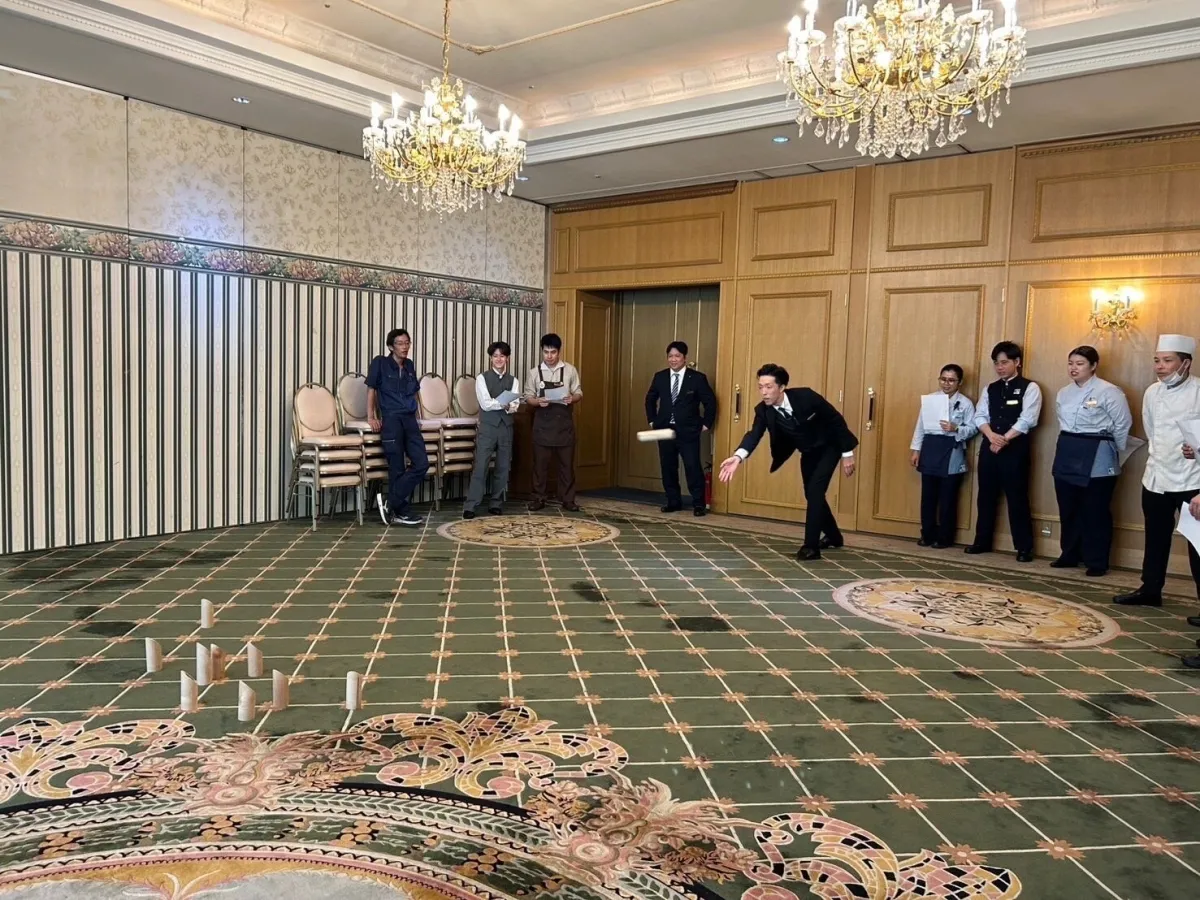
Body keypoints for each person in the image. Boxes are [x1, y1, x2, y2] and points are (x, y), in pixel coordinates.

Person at [718, 363, 857, 560]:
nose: (764, 392)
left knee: (815, 491)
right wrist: (738, 457)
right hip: (807, 451)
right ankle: (834, 536)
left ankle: (810, 547)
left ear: (782, 387)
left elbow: (835, 420)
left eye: (769, 387)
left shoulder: (806, 397)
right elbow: (754, 434)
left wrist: (847, 453)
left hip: (830, 446)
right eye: (760, 387)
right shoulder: (763, 411)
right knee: (811, 493)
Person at [1114, 335, 1200, 620]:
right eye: (1157, 361)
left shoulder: (1199, 391)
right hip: (1156, 476)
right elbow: (1151, 430)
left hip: (1192, 480)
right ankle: (1150, 589)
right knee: (1155, 537)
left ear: (1185, 363)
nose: (1160, 367)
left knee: (1197, 546)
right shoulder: (1152, 392)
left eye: (1167, 361)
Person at [1050, 345, 1133, 577]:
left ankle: (1096, 560)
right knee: (1068, 507)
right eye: (1070, 363)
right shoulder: (1064, 392)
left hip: (1097, 450)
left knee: (1095, 510)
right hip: (1068, 448)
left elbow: (1123, 424)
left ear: (1093, 366)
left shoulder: (1109, 391)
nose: (1073, 368)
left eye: (1080, 364)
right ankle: (1069, 554)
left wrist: (1113, 451)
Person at [966, 341, 1042, 562]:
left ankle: (1024, 547)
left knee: (1017, 497)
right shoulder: (990, 388)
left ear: (1017, 362)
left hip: (1015, 450)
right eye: (996, 363)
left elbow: (1028, 419)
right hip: (989, 447)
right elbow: (980, 415)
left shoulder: (1030, 387)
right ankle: (982, 541)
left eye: (1004, 362)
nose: (999, 367)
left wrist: (1004, 439)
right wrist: (991, 436)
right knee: (985, 496)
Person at [645, 341, 717, 516]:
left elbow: (710, 402)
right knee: (668, 466)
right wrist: (652, 421)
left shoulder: (697, 378)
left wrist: (706, 423)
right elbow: (650, 399)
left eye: (677, 356)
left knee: (692, 466)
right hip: (664, 429)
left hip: (688, 430)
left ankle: (698, 504)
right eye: (670, 356)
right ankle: (673, 501)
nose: (673, 359)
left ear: (685, 358)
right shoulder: (660, 377)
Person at [909, 364, 977, 549]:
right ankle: (927, 534)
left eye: (951, 380)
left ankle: (945, 537)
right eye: (943, 379)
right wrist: (916, 450)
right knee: (928, 497)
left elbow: (973, 428)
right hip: (930, 447)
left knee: (948, 498)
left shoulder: (965, 403)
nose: (947, 384)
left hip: (951, 449)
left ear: (959, 382)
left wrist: (957, 428)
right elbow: (920, 426)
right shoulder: (931, 400)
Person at [366, 328, 428, 526]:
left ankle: (390, 502)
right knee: (397, 467)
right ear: (391, 346)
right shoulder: (380, 363)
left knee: (422, 463)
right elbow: (371, 389)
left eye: (407, 343)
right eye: (400, 343)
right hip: (391, 419)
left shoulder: (409, 365)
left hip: (410, 419)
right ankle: (401, 511)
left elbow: (415, 392)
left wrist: (419, 416)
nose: (405, 347)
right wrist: (371, 416)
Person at [462, 341, 521, 519]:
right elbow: (485, 404)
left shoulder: (514, 380)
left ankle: (496, 503)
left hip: (506, 427)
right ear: (490, 359)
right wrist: (503, 404)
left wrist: (508, 406)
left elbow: (515, 405)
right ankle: (471, 505)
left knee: (503, 467)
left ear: (507, 358)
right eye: (495, 356)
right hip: (488, 427)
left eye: (502, 356)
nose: (499, 359)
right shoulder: (482, 378)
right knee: (481, 466)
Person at [525, 333, 583, 512]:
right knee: (540, 466)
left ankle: (568, 500)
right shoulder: (534, 372)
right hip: (542, 426)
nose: (549, 356)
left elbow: (579, 393)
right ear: (542, 351)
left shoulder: (570, 370)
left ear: (559, 352)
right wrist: (537, 402)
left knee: (566, 466)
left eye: (553, 352)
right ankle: (538, 498)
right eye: (546, 352)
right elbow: (528, 397)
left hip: (563, 425)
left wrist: (572, 398)